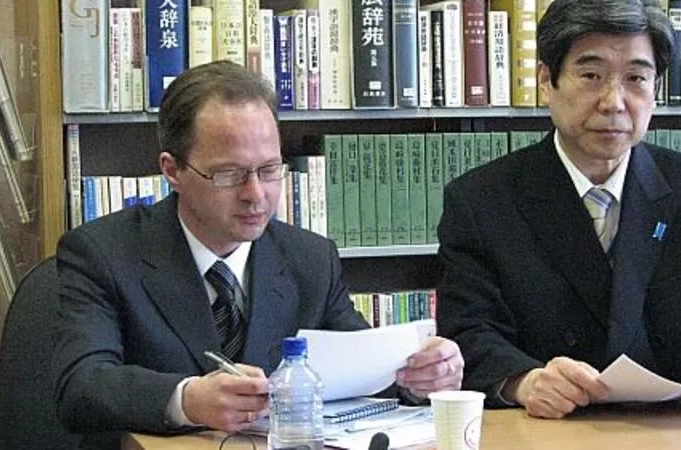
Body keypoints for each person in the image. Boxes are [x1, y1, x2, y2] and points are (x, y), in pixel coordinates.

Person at [53, 61, 464, 448]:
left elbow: (360, 367)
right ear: (173, 170)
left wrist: (420, 376)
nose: (255, 194)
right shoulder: (104, 254)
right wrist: (187, 399)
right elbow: (81, 387)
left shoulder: (309, 259)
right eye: (229, 174)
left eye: (269, 171)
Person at [436, 0, 681, 420]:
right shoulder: (481, 200)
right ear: (546, 81)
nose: (613, 102)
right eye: (591, 76)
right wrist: (523, 381)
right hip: (541, 429)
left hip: (669, 432)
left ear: (655, 89)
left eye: (636, 78)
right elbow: (468, 331)